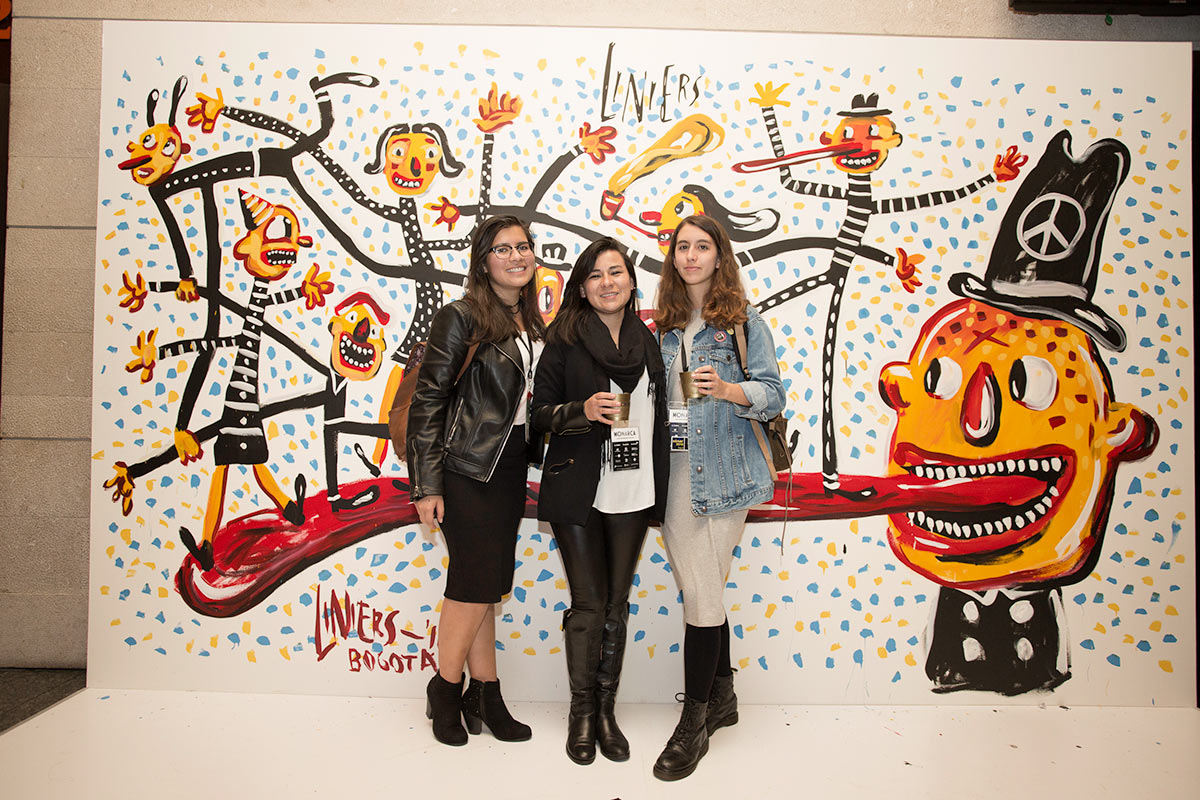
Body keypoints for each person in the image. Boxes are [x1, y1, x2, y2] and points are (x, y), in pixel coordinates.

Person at [650, 214, 786, 781]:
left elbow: (774, 394)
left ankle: (695, 721)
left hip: (729, 475)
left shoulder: (743, 322)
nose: (690, 256)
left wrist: (730, 389)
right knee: (702, 588)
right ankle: (723, 695)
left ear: (719, 255)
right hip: (676, 476)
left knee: (703, 593)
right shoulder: (665, 327)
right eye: (682, 247)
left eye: (702, 246)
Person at [406, 214, 545, 746]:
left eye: (523, 246)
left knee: (488, 584)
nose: (516, 256)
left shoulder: (531, 324)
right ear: (483, 262)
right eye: (502, 248)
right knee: (471, 584)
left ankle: (486, 691)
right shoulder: (460, 317)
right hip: (466, 467)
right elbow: (428, 401)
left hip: (508, 467)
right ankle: (445, 688)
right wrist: (428, 485)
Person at [531, 238, 668, 765]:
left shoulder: (648, 342)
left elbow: (661, 416)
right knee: (588, 604)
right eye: (595, 275)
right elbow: (539, 414)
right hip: (580, 489)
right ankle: (582, 712)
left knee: (616, 604)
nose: (607, 283)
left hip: (634, 490)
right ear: (582, 288)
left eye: (616, 273)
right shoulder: (564, 339)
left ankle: (607, 709)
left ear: (632, 282)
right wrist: (581, 410)